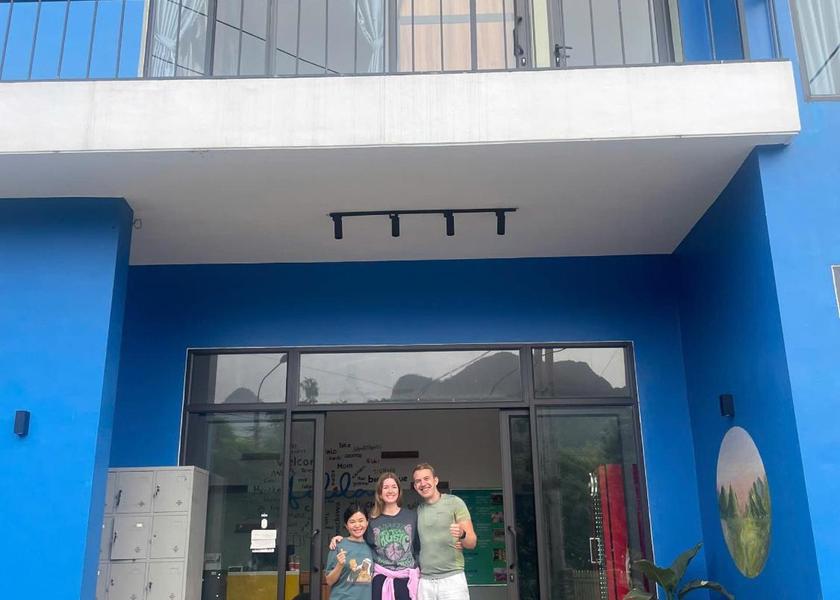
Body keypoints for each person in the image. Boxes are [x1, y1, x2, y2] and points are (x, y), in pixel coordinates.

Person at [331, 472, 421, 600]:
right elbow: (358, 540)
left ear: (399, 491)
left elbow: (418, 547)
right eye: (385, 487)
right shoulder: (372, 519)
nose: (390, 491)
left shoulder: (412, 516)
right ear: (379, 493)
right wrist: (341, 540)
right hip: (380, 580)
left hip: (407, 580)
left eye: (394, 487)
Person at [412, 463, 477, 600]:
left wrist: (462, 534)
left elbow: (471, 543)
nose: (423, 483)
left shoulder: (455, 502)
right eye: (418, 481)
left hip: (452, 579)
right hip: (425, 581)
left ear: (435, 480)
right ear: (415, 486)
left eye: (426, 478)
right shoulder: (418, 510)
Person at [326, 503, 375, 600]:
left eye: (361, 521)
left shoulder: (372, 547)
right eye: (352, 522)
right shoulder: (338, 545)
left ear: (367, 522)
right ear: (346, 525)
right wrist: (339, 565)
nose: (357, 525)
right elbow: (329, 581)